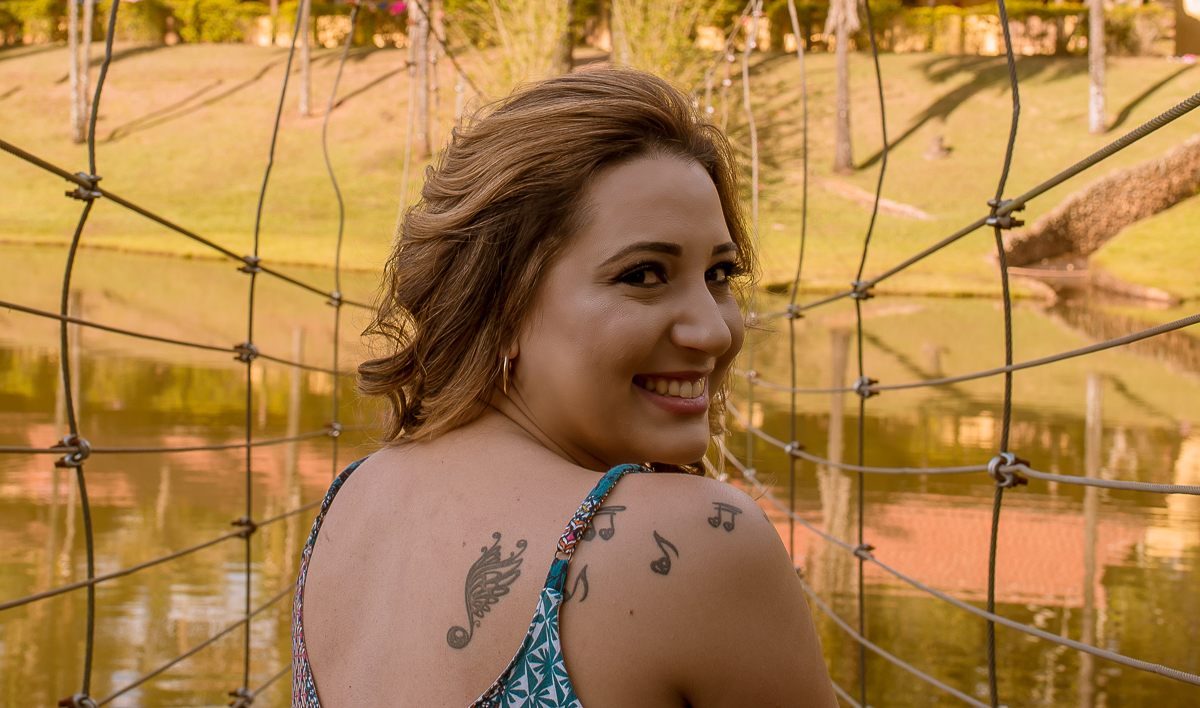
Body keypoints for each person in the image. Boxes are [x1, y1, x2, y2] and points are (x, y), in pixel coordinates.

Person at [292, 68, 838, 708]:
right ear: (501, 306)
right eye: (644, 275)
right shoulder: (699, 540)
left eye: (719, 274)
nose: (715, 331)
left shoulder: (351, 499)